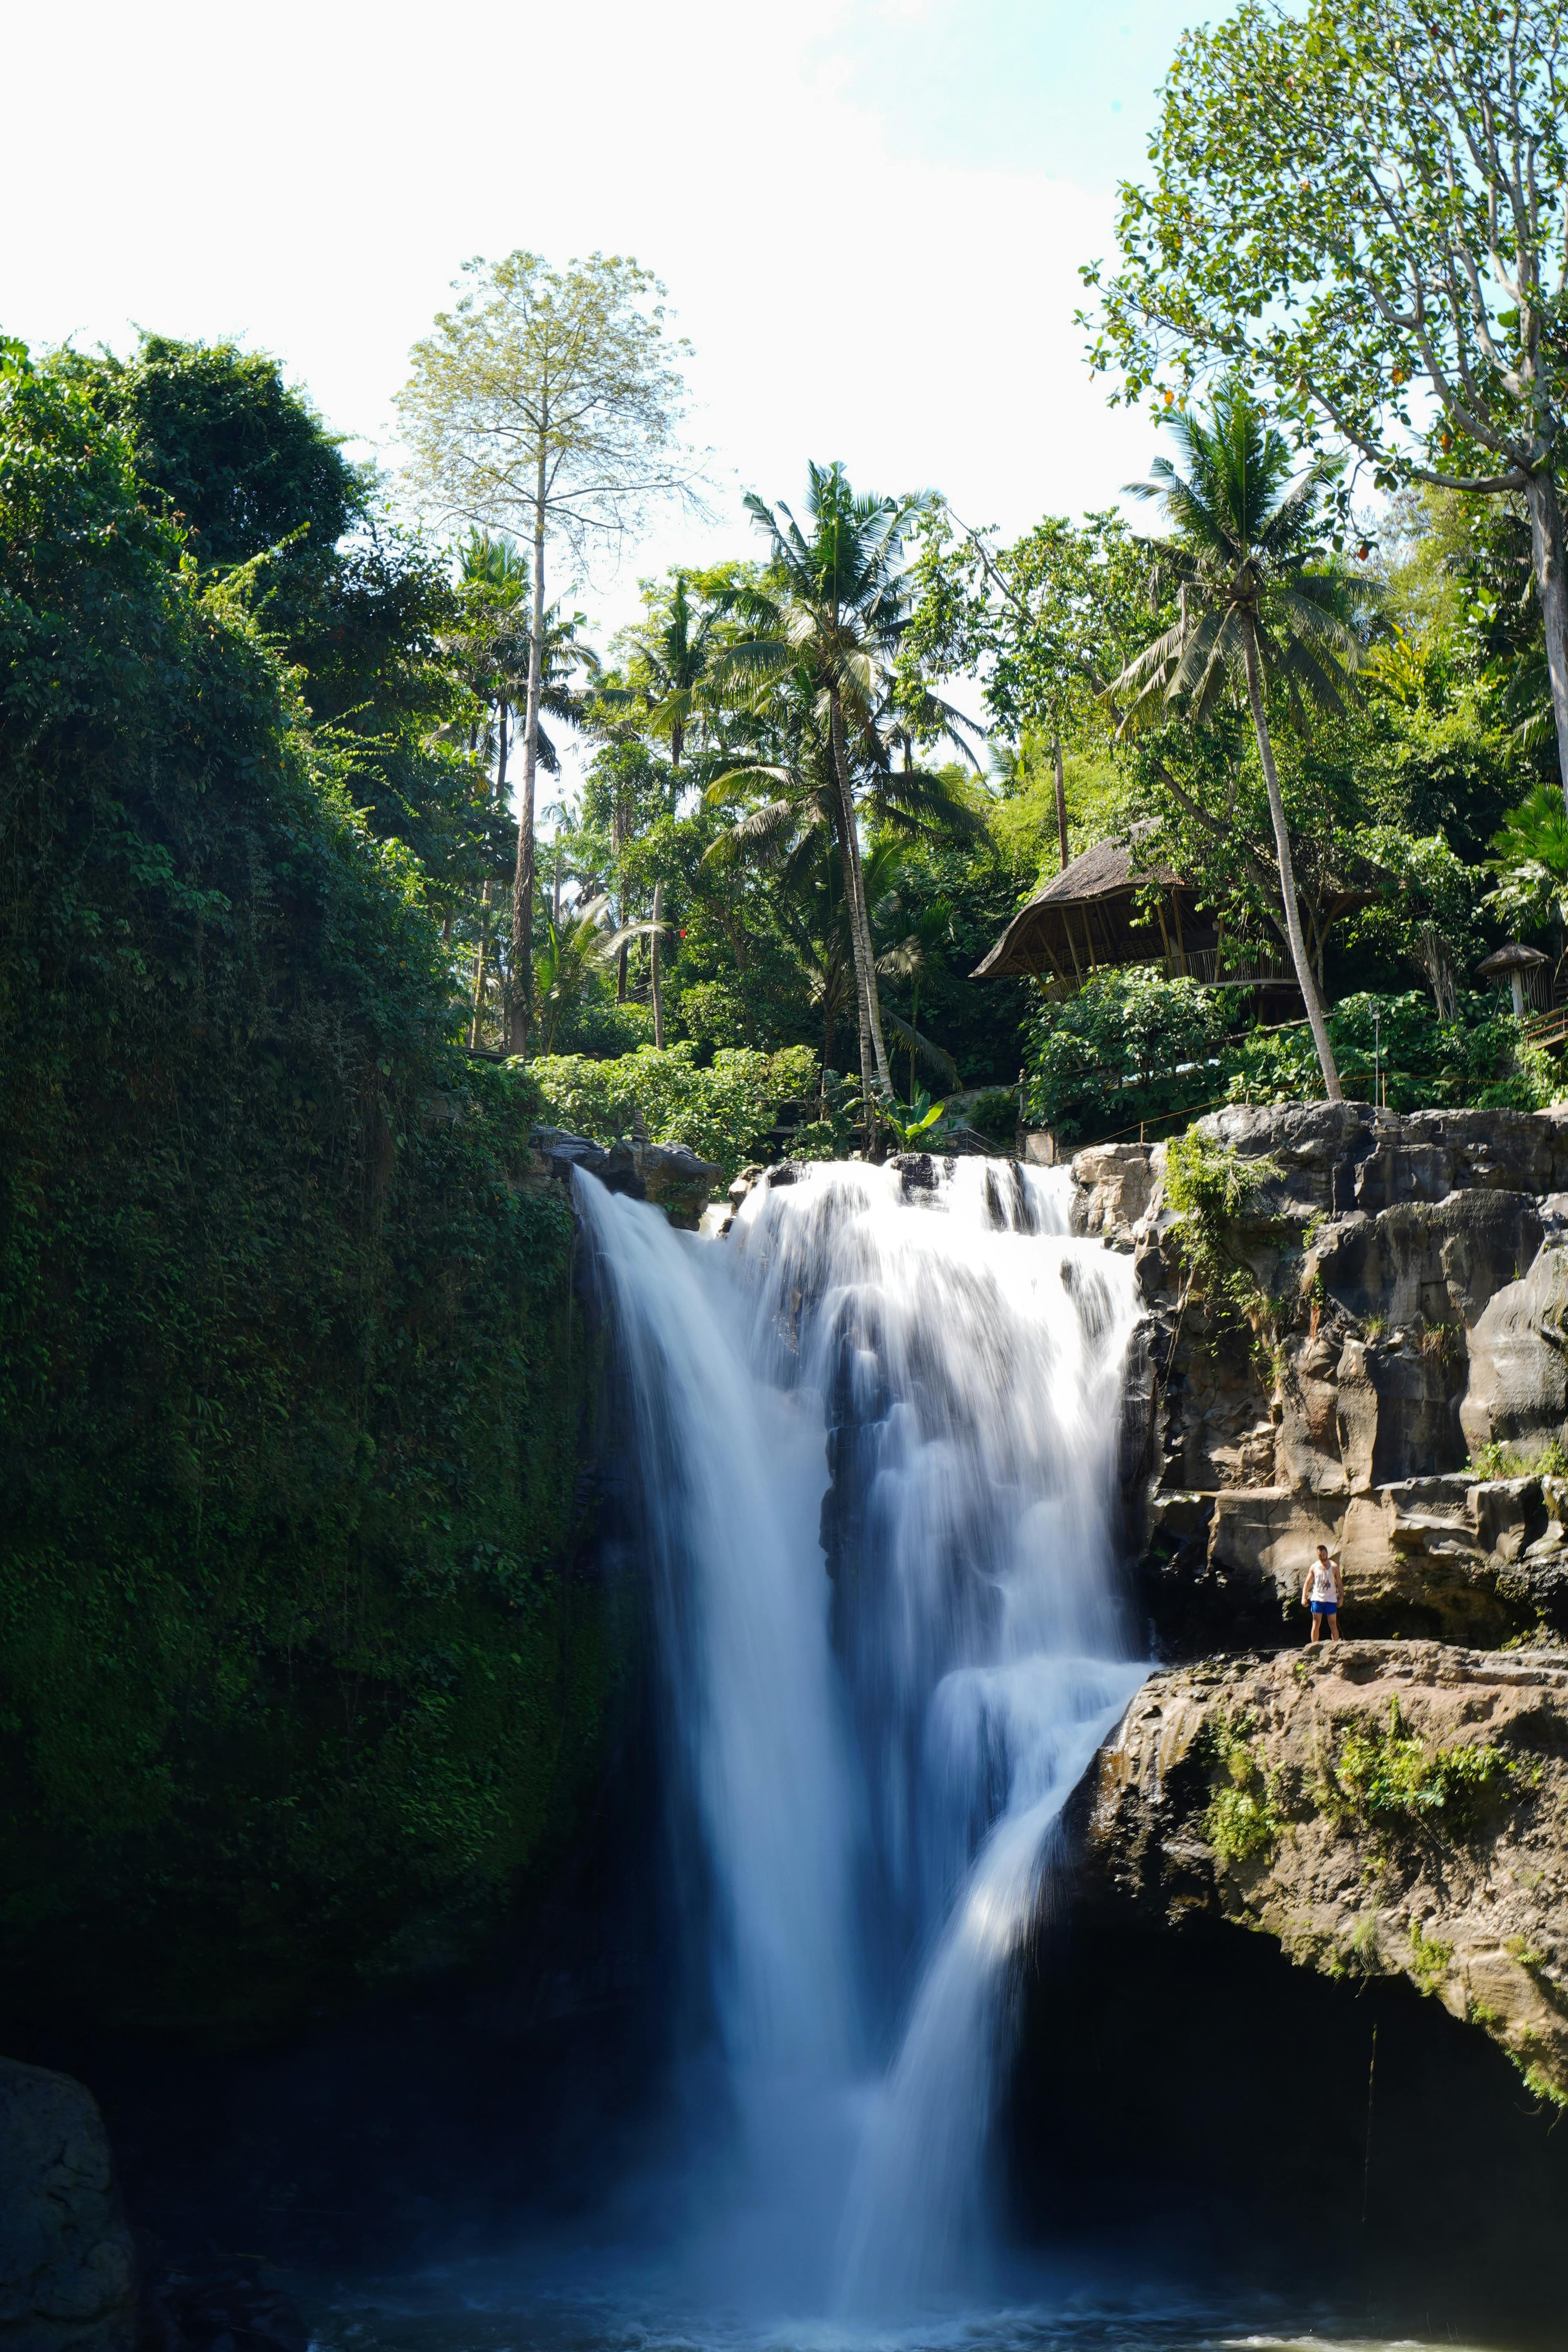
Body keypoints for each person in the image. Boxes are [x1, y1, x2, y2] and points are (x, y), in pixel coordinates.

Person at [1302, 1542, 1343, 1643]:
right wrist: (1304, 1597)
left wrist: (1341, 1598)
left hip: (1331, 1598)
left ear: (1327, 1554)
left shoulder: (1334, 1567)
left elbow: (1339, 1583)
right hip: (1317, 1598)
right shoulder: (1314, 1567)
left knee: (1333, 1623)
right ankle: (1314, 1646)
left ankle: (1336, 1646)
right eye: (1320, 1556)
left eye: (1324, 1555)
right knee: (1316, 1623)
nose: (1322, 1557)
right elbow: (1308, 1582)